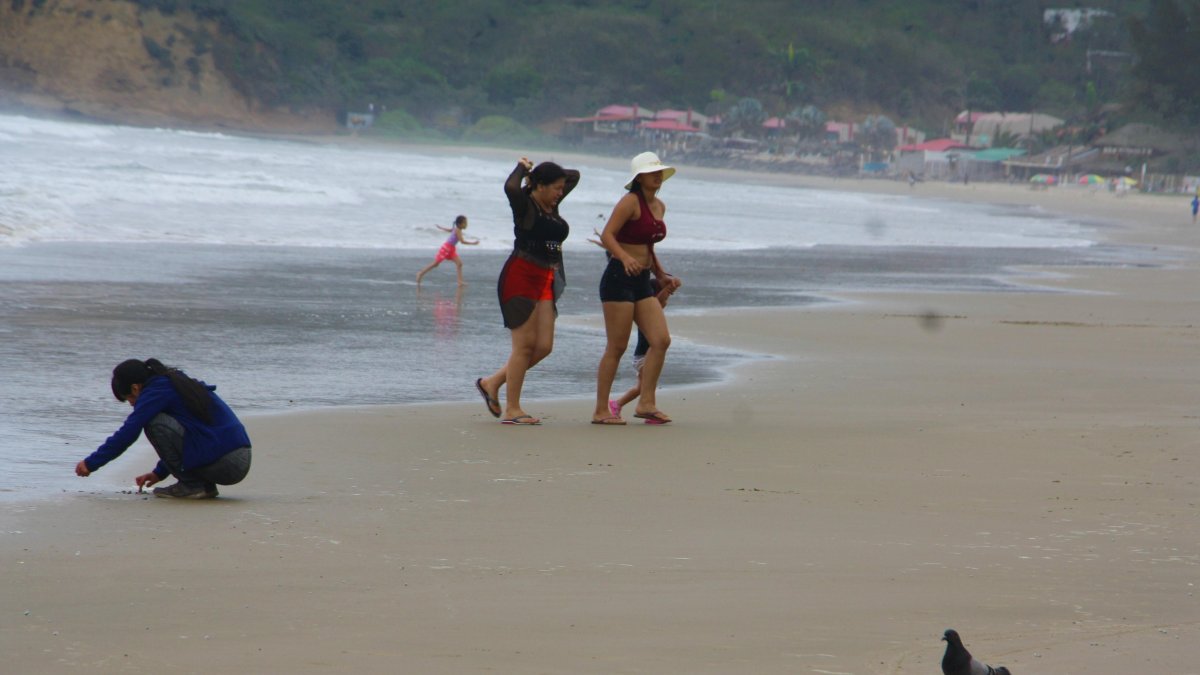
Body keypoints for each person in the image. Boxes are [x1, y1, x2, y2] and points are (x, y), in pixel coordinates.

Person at [475, 157, 580, 425]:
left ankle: (493, 382)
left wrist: (545, 177)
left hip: (545, 278)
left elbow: (574, 175)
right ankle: (513, 409)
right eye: (555, 187)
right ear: (540, 186)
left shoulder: (551, 204)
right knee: (523, 347)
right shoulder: (525, 205)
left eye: (560, 188)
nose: (560, 192)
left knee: (543, 346)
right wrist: (524, 170)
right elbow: (510, 187)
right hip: (520, 277)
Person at [74, 358, 252, 499]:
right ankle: (199, 485)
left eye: (129, 399)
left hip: (225, 463)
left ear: (135, 388)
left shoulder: (155, 392)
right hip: (238, 456)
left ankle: (192, 486)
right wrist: (158, 473)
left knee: (152, 422)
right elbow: (193, 436)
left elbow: (127, 433)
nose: (132, 405)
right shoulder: (173, 381)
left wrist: (91, 463)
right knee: (159, 421)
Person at [591, 152, 682, 425]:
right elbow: (608, 235)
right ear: (639, 178)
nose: (658, 176)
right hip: (618, 279)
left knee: (661, 340)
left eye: (660, 172)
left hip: (642, 280)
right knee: (616, 346)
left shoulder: (660, 206)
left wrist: (661, 275)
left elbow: (648, 246)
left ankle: (646, 402)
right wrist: (625, 257)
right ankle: (600, 410)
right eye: (652, 172)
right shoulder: (630, 202)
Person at [416, 215, 478, 287]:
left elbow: (449, 230)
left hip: (451, 249)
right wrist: (473, 243)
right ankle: (420, 273)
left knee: (459, 264)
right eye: (464, 223)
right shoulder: (458, 230)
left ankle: (460, 281)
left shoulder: (456, 229)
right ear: (459, 224)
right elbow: (462, 241)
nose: (466, 224)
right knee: (435, 264)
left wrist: (441, 227)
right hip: (446, 248)